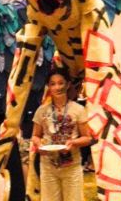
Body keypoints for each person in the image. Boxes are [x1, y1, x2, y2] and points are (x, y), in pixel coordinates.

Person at [31, 68, 92, 201]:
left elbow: (87, 138)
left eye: (61, 83)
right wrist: (38, 144)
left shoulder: (78, 109)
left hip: (72, 167)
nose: (57, 87)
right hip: (48, 167)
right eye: (52, 84)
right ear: (48, 86)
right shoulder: (41, 111)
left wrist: (73, 143)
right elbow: (35, 136)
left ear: (68, 84)